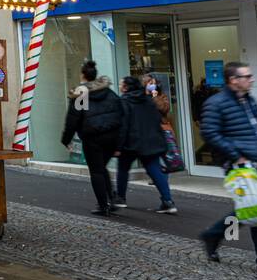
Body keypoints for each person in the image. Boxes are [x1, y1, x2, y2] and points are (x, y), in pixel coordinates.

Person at [196, 62, 257, 278]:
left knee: (250, 208)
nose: (251, 79)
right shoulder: (216, 103)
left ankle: (213, 235)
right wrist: (237, 156)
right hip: (240, 166)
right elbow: (209, 133)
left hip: (256, 162)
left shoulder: (248, 100)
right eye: (247, 76)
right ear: (233, 80)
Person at [61, 60, 125, 216]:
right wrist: (120, 141)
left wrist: (66, 139)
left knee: (96, 171)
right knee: (102, 168)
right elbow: (121, 113)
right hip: (112, 136)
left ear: (83, 75)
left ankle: (104, 205)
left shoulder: (81, 95)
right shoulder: (109, 92)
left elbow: (73, 120)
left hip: (93, 138)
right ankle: (111, 198)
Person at [115, 76, 177, 213]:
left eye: (121, 84)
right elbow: (157, 120)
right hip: (150, 141)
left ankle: (120, 198)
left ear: (125, 87)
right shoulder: (148, 101)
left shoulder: (124, 101)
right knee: (154, 170)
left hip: (131, 142)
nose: (119, 86)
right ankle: (168, 201)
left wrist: (118, 146)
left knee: (123, 169)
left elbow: (123, 125)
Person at [142, 73, 185, 174]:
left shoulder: (161, 96)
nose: (152, 84)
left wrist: (155, 95)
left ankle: (161, 175)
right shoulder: (141, 97)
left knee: (164, 154)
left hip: (161, 128)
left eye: (154, 83)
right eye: (149, 82)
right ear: (144, 84)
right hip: (148, 129)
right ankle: (156, 174)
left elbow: (164, 109)